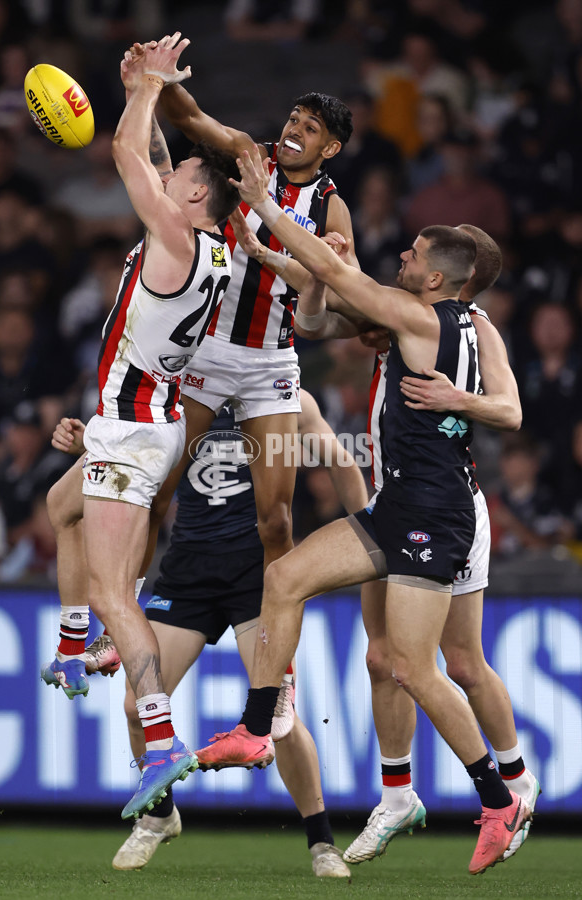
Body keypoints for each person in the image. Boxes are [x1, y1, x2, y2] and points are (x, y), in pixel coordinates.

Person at [192, 145, 533, 875]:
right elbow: (336, 294)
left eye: (411, 254)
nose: (400, 257)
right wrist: (261, 245)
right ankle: (258, 728)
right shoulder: (474, 326)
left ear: (435, 278)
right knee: (283, 579)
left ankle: (499, 798)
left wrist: (270, 203)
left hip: (434, 512)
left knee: (414, 666)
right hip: (403, 502)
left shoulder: (419, 317)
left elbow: (341, 276)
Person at [40, 37, 241, 822]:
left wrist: (148, 88)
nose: (170, 173)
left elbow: (128, 150)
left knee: (116, 593)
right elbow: (152, 159)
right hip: (140, 421)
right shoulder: (210, 245)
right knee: (60, 510)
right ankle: (69, 642)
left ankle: (160, 739)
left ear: (193, 201)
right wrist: (138, 86)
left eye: (183, 176)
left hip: (132, 432)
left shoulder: (174, 237)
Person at [51, 389, 368, 878]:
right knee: (137, 705)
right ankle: (159, 817)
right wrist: (85, 445)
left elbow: (342, 459)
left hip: (257, 577)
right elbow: (132, 451)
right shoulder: (177, 400)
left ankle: (321, 842)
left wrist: (368, 533)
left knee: (279, 718)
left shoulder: (282, 399)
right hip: (189, 571)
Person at [122, 33, 356, 577]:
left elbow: (346, 290)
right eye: (295, 119)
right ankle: (124, 612)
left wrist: (321, 264)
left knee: (275, 520)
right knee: (160, 492)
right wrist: (161, 78)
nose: (295, 130)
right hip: (206, 350)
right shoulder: (251, 155)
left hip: (271, 362)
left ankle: (282, 653)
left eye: (310, 128)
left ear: (331, 149)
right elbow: (193, 119)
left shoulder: (332, 209)